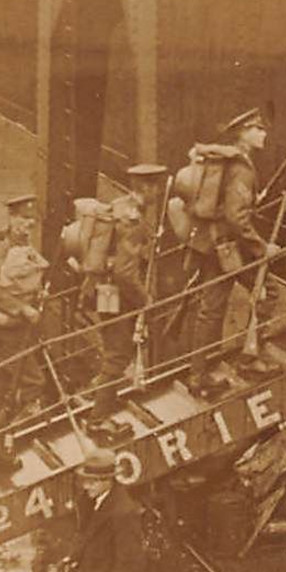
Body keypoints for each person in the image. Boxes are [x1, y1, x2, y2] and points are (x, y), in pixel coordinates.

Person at [182, 108, 275, 398]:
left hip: (211, 244)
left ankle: (198, 375)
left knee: (210, 310)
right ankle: (248, 359)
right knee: (268, 291)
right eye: (257, 129)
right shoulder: (242, 168)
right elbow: (237, 218)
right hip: (229, 248)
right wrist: (262, 248)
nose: (264, 134)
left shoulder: (226, 161)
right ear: (243, 134)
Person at [83, 163, 170, 438]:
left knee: (112, 348)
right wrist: (146, 299)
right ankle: (98, 420)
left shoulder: (119, 206)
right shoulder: (132, 220)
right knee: (118, 354)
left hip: (103, 290)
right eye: (155, 185)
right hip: (116, 293)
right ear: (146, 187)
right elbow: (125, 272)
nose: (157, 191)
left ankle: (102, 397)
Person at [0, 194, 48, 472]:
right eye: (22, 219)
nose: (27, 225)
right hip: (6, 329)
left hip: (15, 328)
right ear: (11, 218)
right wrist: (21, 309)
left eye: (31, 220)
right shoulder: (0, 247)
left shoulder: (23, 245)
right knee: (34, 383)